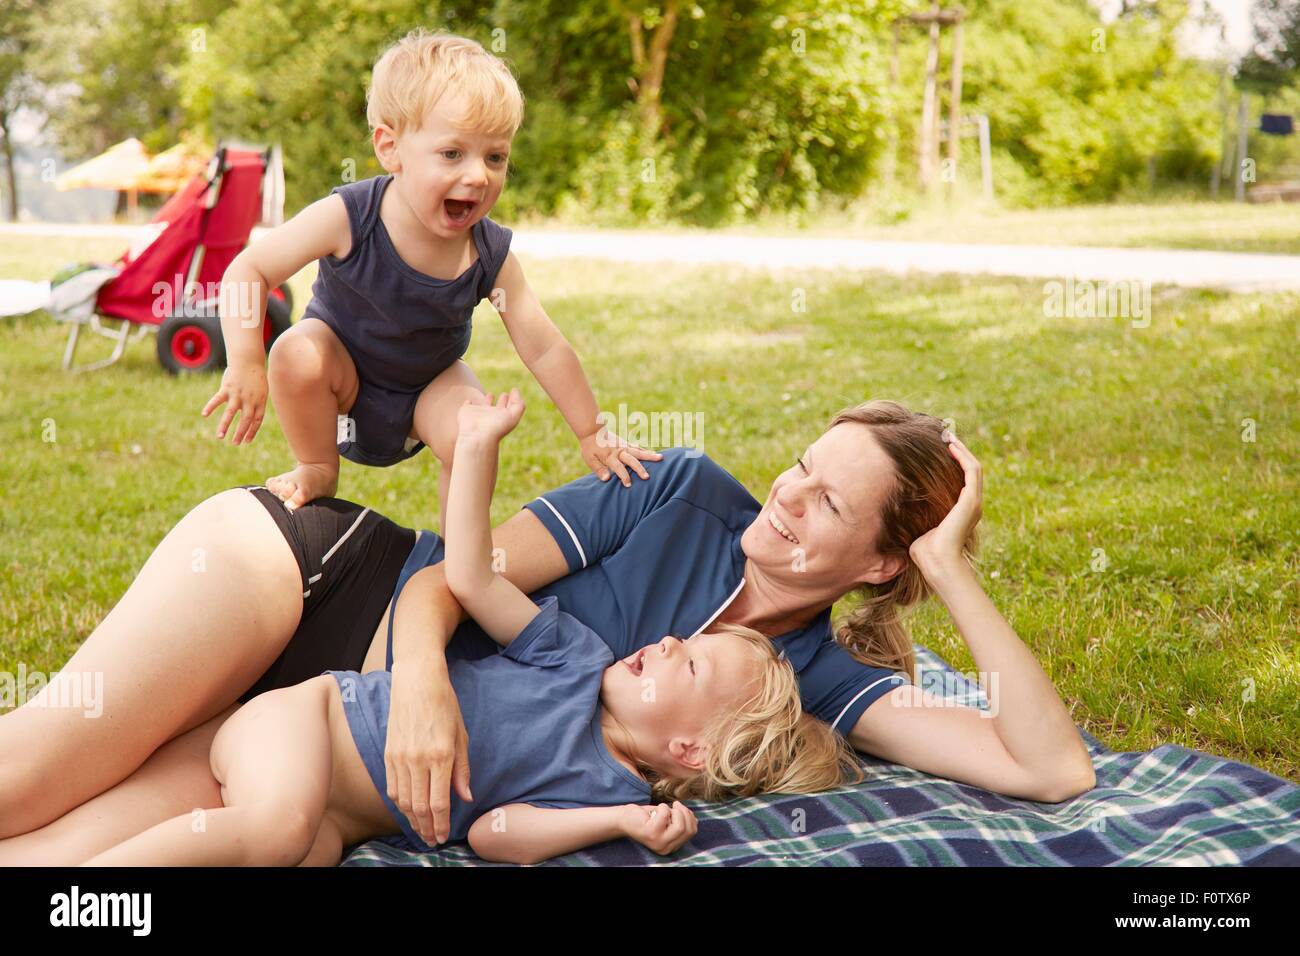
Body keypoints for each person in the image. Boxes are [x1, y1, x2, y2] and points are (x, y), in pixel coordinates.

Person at [0, 398, 1095, 863]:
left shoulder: (806, 677)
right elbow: (448, 574)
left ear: (878, 563)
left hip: (324, 744)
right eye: (802, 465)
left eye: (826, 503)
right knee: (25, 777)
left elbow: (1049, 770)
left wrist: (949, 568)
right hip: (309, 580)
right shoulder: (673, 488)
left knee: (65, 853)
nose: (786, 495)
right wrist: (423, 685)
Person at [198, 28, 659, 524]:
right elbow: (250, 268)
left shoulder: (487, 254)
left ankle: (459, 558)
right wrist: (245, 359)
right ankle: (315, 466)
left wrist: (591, 431)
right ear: (390, 148)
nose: (479, 175)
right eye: (453, 154)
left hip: (428, 389)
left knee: (474, 430)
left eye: (495, 157)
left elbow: (542, 345)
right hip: (344, 380)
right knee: (295, 350)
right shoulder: (349, 217)